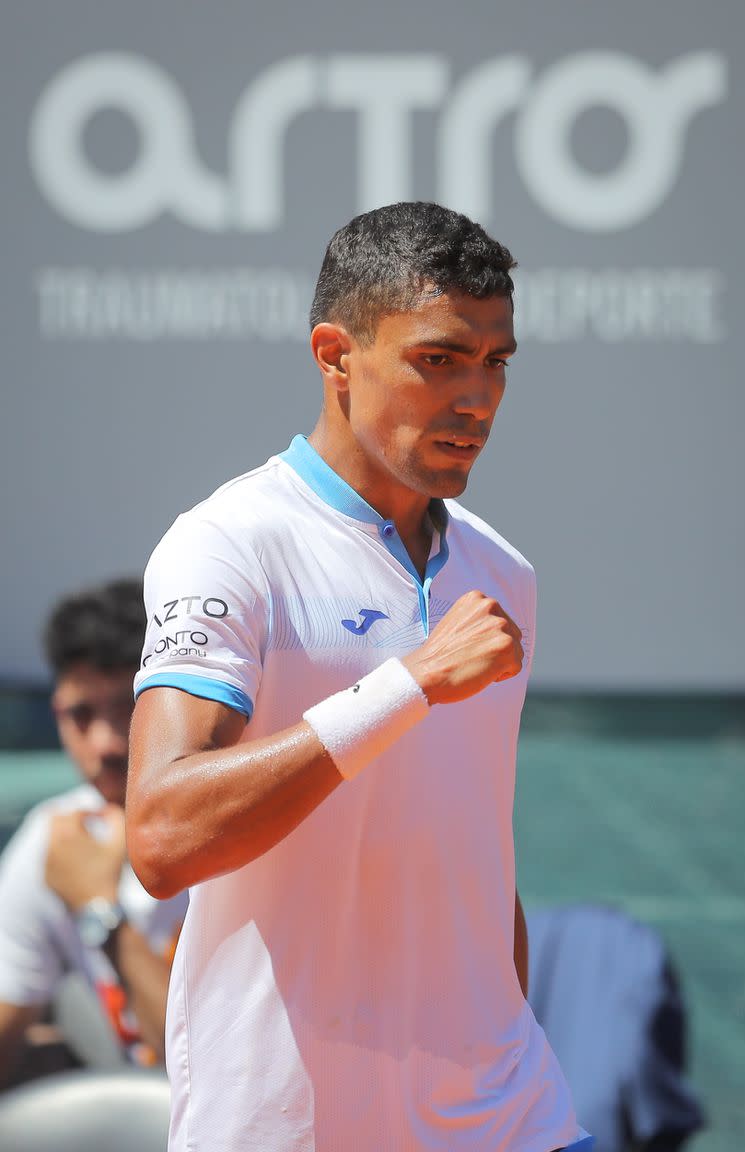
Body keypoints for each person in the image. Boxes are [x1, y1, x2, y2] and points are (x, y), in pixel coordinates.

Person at [127, 202, 592, 1151]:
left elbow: (473, 858)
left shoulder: (504, 574)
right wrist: (406, 683)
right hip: (287, 1122)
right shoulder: (228, 545)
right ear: (336, 355)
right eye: (440, 359)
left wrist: (503, 1031)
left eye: (496, 362)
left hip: (501, 1108)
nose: (478, 398)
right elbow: (162, 834)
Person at [0, 579, 188, 1088]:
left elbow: (202, 1073)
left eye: (129, 705)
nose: (105, 742)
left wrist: (100, 913)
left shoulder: (238, 829)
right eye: (81, 714)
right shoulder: (53, 840)